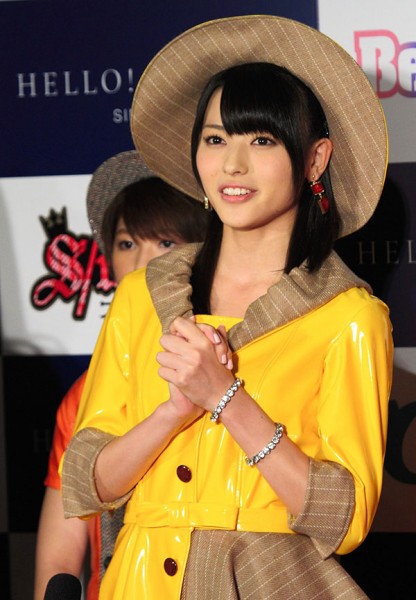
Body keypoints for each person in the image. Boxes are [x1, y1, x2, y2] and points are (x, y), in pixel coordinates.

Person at [61, 15, 393, 599]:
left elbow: (344, 520)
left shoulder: (350, 318)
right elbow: (88, 484)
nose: (232, 165)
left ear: (315, 160)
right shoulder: (141, 296)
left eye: (261, 141)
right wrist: (172, 413)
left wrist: (225, 397)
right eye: (215, 139)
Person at [34, 150, 210, 600]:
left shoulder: (233, 366)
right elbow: (59, 558)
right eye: (128, 244)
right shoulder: (83, 396)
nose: (142, 265)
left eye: (165, 243)